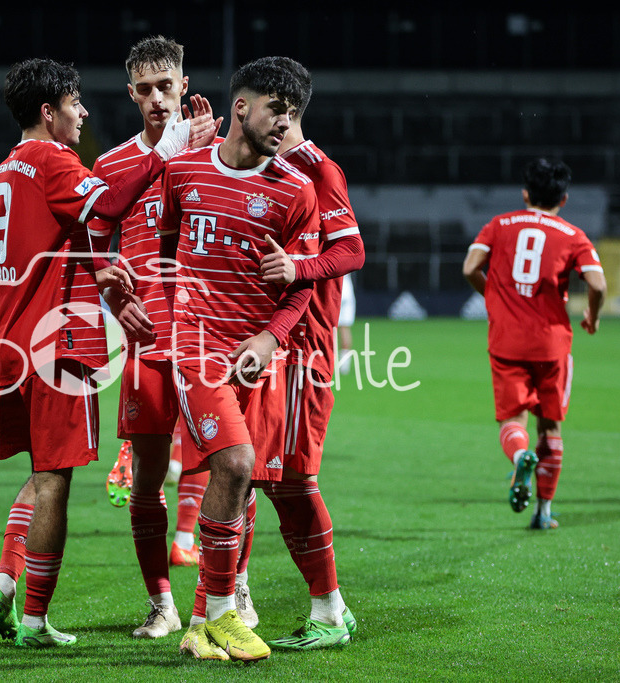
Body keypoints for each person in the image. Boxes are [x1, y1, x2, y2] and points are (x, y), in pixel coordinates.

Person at [0, 57, 192, 649]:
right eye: (75, 103)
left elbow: (55, 236)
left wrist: (94, 265)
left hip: (9, 340)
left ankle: (4, 582)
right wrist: (164, 150)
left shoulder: (5, 169)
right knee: (56, 483)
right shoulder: (52, 159)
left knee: (42, 472)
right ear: (49, 112)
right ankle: (35, 620)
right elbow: (114, 202)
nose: (84, 113)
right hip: (55, 344)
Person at [159, 56, 326, 662]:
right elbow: (164, 249)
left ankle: (203, 618)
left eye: (295, 113)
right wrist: (162, 326)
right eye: (276, 109)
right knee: (233, 463)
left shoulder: (296, 191)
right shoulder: (182, 174)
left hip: (256, 353)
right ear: (241, 108)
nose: (286, 123)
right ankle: (227, 611)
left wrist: (271, 340)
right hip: (196, 346)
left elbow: (301, 284)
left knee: (245, 481)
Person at [89, 35, 220, 640]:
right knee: (145, 480)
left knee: (229, 467)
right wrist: (117, 298)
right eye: (144, 89)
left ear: (184, 85)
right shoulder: (112, 165)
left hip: (206, 337)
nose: (157, 98)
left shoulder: (216, 154)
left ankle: (226, 597)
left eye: (166, 85)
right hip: (145, 341)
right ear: (131, 94)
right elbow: (95, 248)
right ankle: (161, 602)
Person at [255, 58, 365, 650]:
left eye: (266, 107)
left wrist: (298, 267)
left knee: (292, 481)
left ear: (287, 112)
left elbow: (353, 252)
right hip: (274, 347)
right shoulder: (272, 168)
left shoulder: (318, 171)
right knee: (265, 478)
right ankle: (331, 607)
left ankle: (326, 612)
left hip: (303, 350)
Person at [462, 157, 606, 530]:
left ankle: (520, 456)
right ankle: (543, 512)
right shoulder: (573, 235)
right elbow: (598, 284)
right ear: (564, 199)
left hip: (507, 339)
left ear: (525, 193)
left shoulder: (500, 224)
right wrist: (592, 315)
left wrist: (493, 296)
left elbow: (469, 267)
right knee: (551, 427)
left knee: (513, 419)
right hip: (552, 343)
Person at [336, 273, 356, 374]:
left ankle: (323, 360)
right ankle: (344, 366)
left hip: (335, 288)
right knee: (345, 328)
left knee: (326, 328)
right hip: (347, 289)